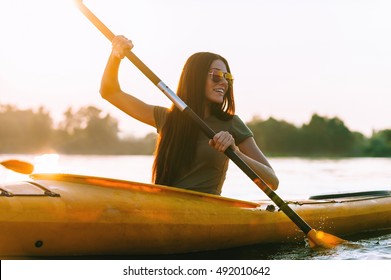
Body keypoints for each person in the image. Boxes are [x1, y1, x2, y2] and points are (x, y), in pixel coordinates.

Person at [100, 35, 279, 195]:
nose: (224, 82)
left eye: (227, 77)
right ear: (196, 78)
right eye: (216, 75)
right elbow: (110, 92)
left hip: (208, 211)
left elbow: (272, 181)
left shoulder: (231, 123)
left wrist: (236, 152)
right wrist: (116, 56)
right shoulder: (167, 118)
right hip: (165, 207)